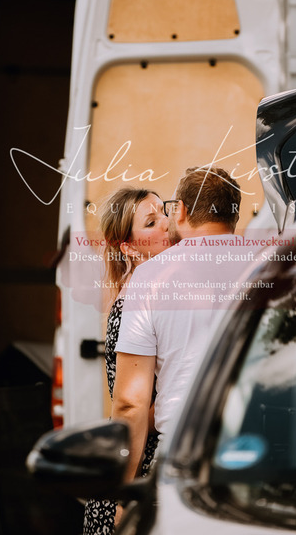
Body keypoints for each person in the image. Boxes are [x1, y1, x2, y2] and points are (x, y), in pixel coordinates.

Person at [112, 166, 248, 492]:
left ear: (182, 210)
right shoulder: (272, 264)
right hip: (263, 450)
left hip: (185, 453)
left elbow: (130, 402)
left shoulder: (151, 278)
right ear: (234, 214)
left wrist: (124, 492)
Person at [83, 187, 169, 535]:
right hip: (136, 466)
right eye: (151, 222)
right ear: (129, 248)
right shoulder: (132, 304)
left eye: (164, 212)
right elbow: (131, 407)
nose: (166, 223)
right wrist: (123, 494)